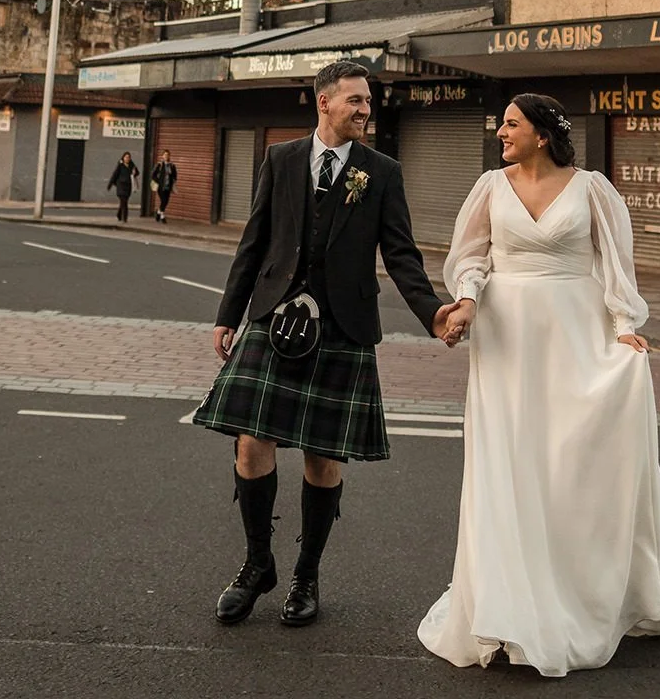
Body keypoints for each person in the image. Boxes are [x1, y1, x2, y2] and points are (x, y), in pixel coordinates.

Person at [418, 93, 660, 678]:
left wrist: (624, 327)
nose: (501, 134)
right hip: (507, 339)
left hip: (575, 330)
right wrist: (466, 304)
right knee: (510, 465)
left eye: (511, 125)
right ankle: (506, 606)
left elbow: (616, 262)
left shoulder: (592, 188)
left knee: (569, 463)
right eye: (502, 126)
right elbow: (471, 257)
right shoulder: (491, 185)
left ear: (542, 133)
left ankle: (581, 588)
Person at [194, 58, 468, 630]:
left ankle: (306, 575)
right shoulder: (282, 158)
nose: (365, 110)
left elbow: (401, 255)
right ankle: (257, 564)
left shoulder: (382, 172)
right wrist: (229, 314)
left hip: (342, 327)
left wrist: (433, 312)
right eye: (355, 101)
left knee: (323, 458)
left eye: (368, 102)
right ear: (324, 102)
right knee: (250, 445)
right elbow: (255, 240)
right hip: (275, 320)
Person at [107, 150, 139, 224]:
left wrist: (135, 172)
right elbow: (114, 175)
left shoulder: (132, 165)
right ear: (123, 158)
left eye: (128, 157)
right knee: (124, 202)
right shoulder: (120, 165)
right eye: (126, 157)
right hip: (120, 186)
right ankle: (125, 218)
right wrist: (110, 185)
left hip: (128, 186)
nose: (127, 159)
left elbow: (137, 173)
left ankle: (119, 214)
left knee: (123, 202)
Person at [151, 148, 178, 221]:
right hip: (161, 187)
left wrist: (173, 180)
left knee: (166, 201)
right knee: (163, 200)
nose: (166, 156)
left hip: (168, 186)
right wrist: (158, 181)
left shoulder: (172, 166)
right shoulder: (159, 165)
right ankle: (162, 216)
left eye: (168, 155)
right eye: (165, 155)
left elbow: (175, 175)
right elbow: (153, 175)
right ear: (162, 156)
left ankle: (159, 212)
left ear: (169, 156)